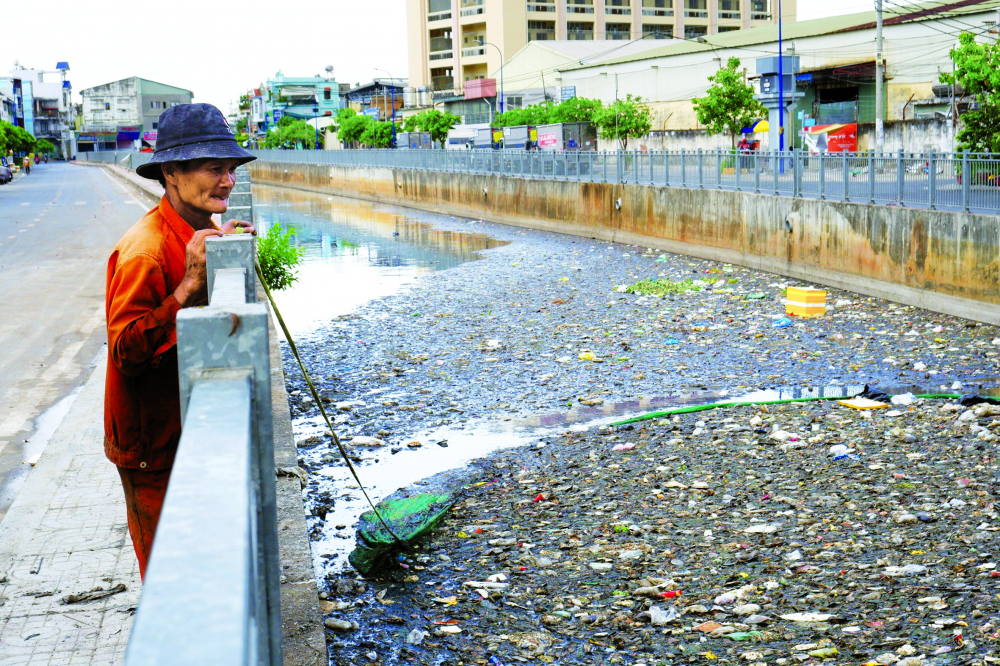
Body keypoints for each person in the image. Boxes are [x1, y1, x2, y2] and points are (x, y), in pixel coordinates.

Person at [105, 103, 256, 579]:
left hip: (184, 423)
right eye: (215, 169)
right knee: (170, 572)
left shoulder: (195, 228)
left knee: (201, 556)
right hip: (152, 442)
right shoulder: (144, 251)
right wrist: (188, 287)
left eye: (230, 169)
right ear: (171, 172)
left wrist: (224, 244)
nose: (228, 181)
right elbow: (125, 351)